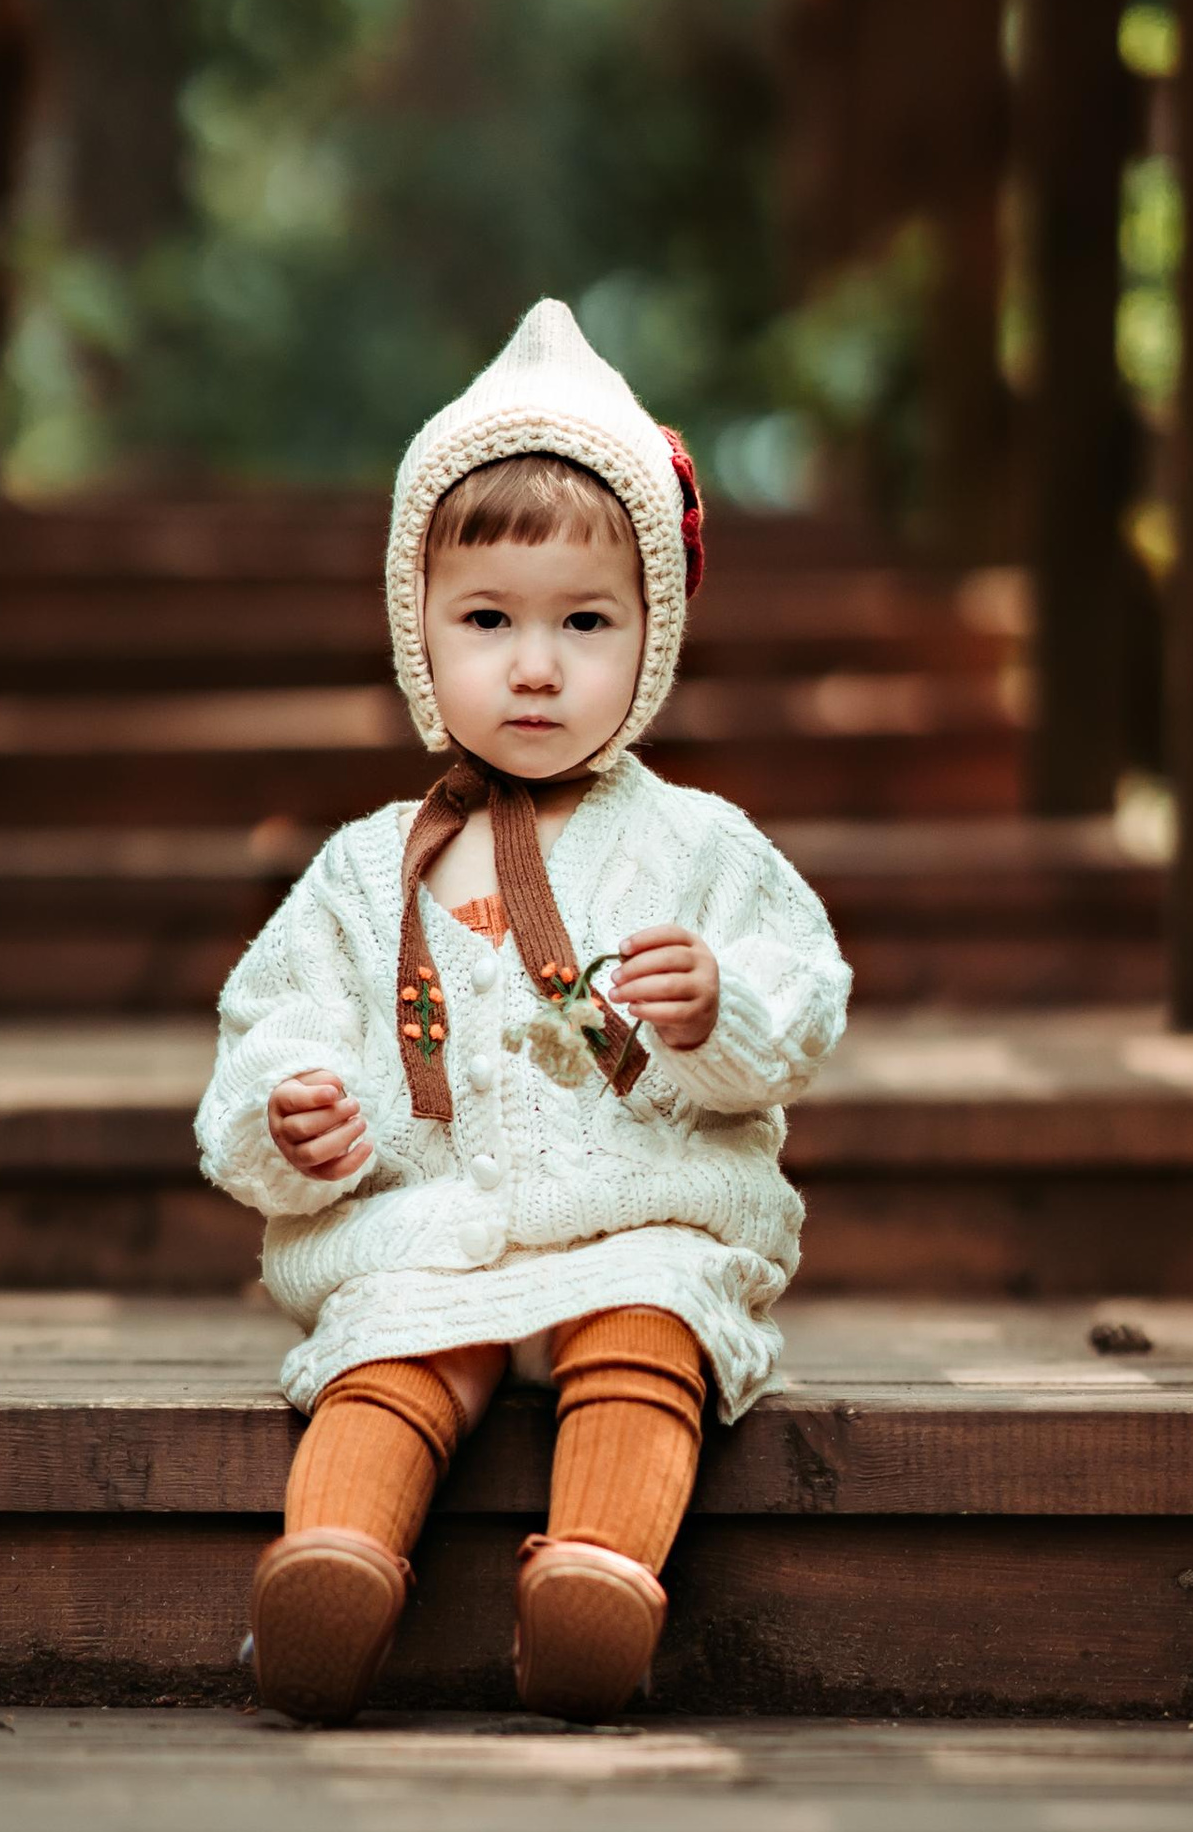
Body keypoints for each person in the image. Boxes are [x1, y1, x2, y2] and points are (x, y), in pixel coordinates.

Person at [197, 297, 851, 1722]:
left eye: (585, 623)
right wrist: (291, 1112)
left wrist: (717, 1012)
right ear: (418, 631)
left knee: (652, 1322)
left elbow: (806, 1001)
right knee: (389, 1343)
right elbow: (274, 1024)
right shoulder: (371, 868)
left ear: (651, 640)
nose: (536, 665)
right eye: (488, 621)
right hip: (434, 1219)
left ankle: (596, 1582)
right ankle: (337, 1566)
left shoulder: (703, 848)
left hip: (637, 1207)